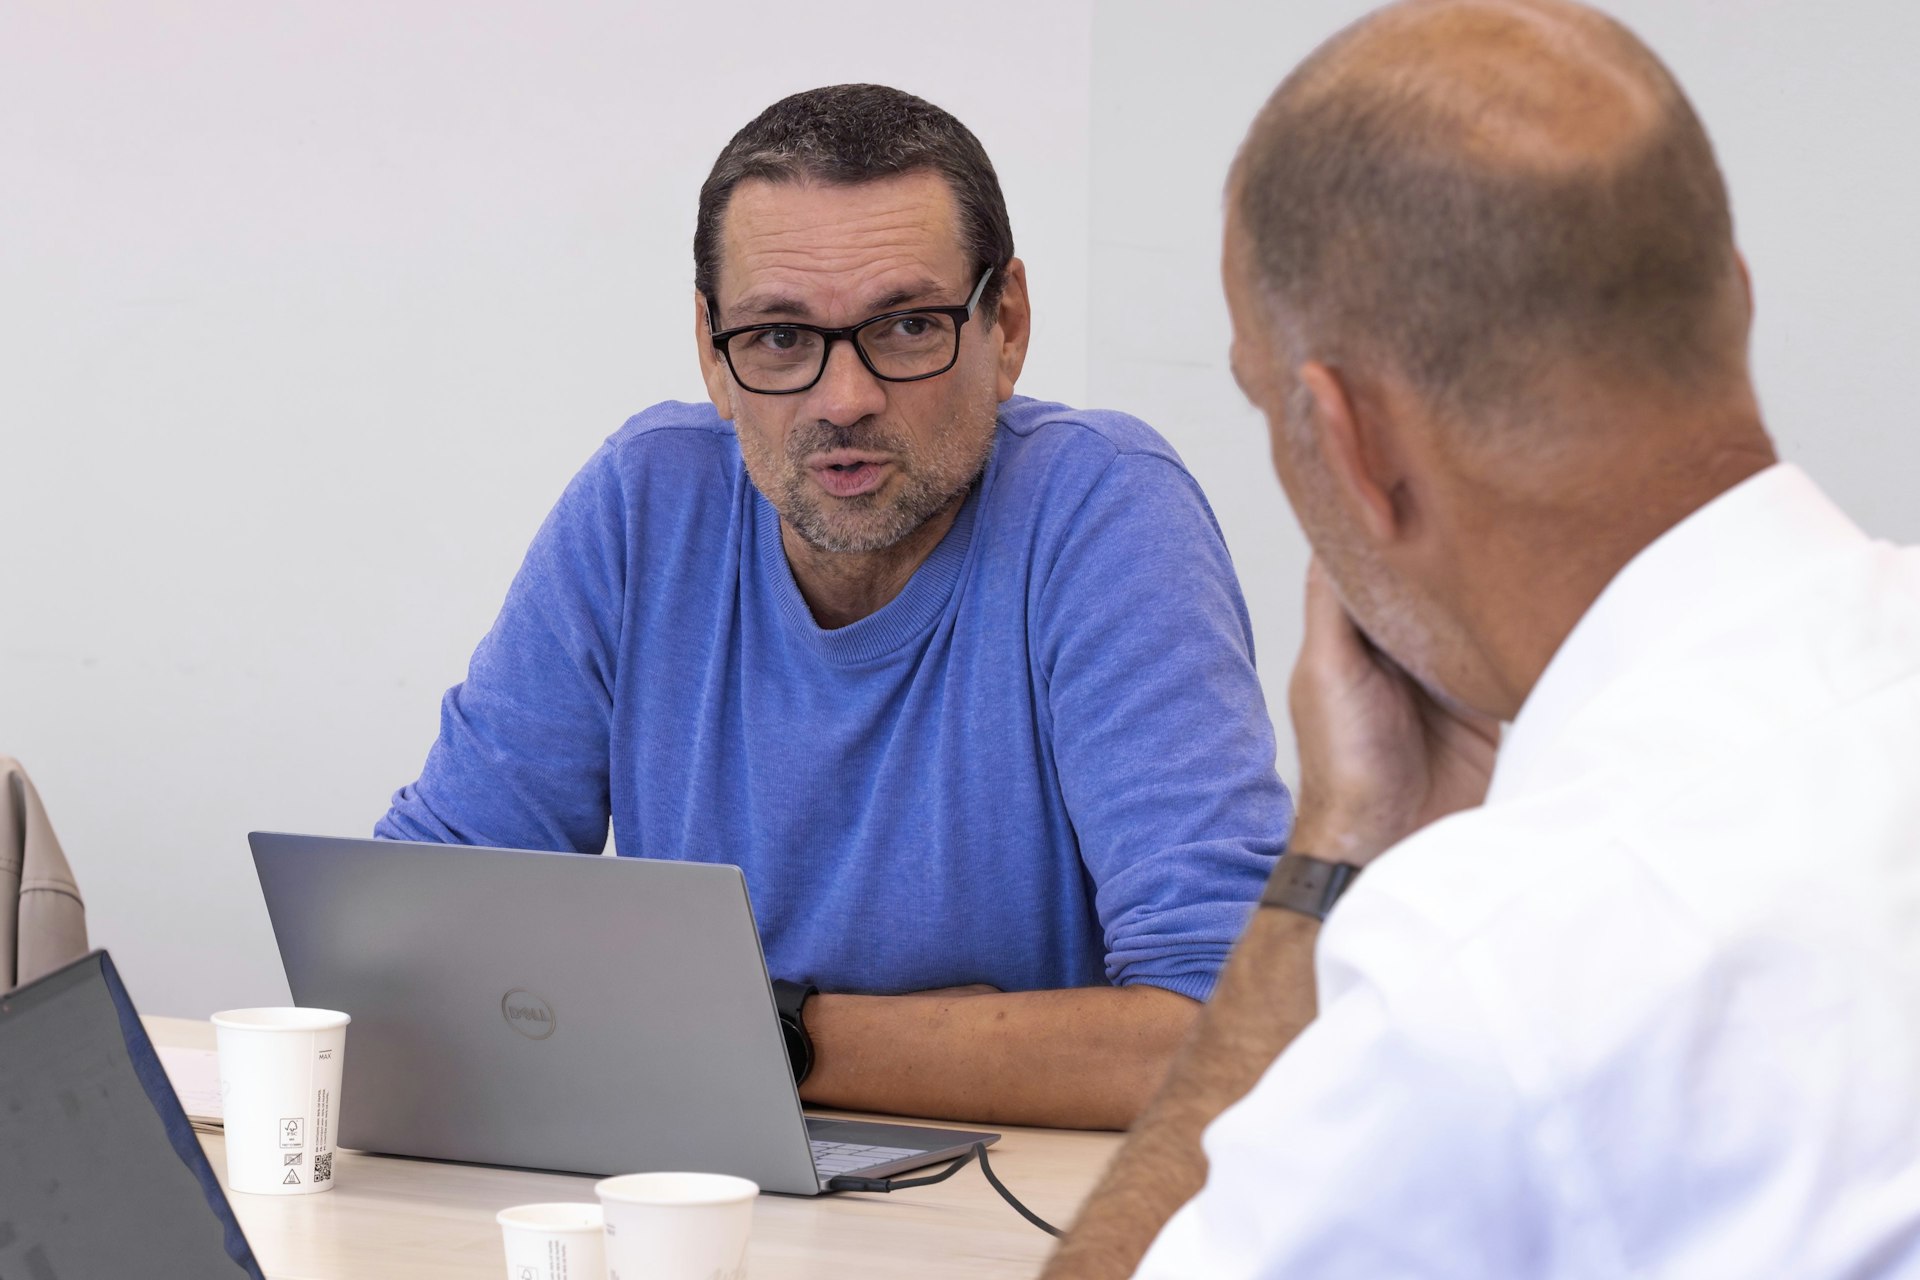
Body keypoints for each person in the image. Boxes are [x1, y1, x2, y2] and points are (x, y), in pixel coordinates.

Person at [1047, 0, 1920, 1272]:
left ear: (1351, 442)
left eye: (1265, 405)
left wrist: (1333, 857)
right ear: (1732, 302)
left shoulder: (1491, 964)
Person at [375, 84, 1294, 1130]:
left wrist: (765, 1032)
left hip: (1006, 1203)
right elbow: (416, 943)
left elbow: (1229, 1033)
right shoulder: (645, 503)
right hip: (696, 1186)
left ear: (1006, 328)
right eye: (778, 336)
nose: (843, 398)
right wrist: (934, 1035)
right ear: (712, 352)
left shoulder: (1104, 510)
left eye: (906, 326)